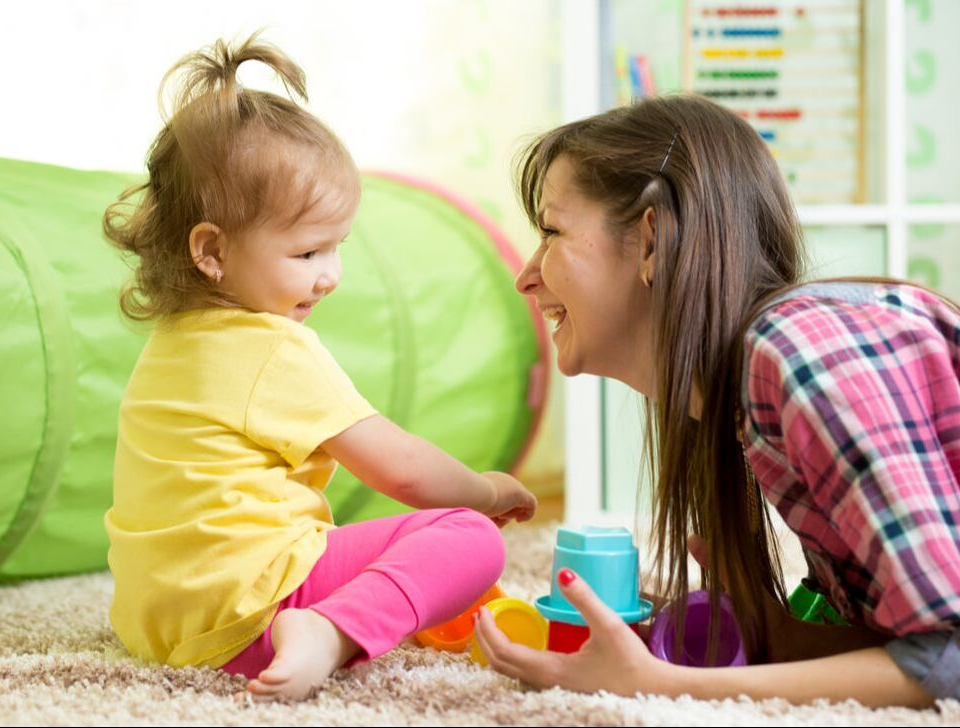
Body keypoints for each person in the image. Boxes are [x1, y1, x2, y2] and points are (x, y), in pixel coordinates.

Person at [473, 94, 960, 707]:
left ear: (652, 241)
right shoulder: (752, 392)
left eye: (551, 231)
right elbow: (908, 647)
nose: (527, 274)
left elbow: (949, 660)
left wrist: (671, 686)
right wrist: (778, 635)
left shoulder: (798, 351)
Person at [101, 34, 536, 702]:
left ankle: (333, 614)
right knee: (468, 540)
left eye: (337, 248)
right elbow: (403, 469)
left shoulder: (171, 341)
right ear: (212, 251)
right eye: (308, 253)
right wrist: (483, 491)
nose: (330, 276)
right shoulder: (273, 347)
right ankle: (330, 630)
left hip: (156, 624)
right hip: (251, 613)